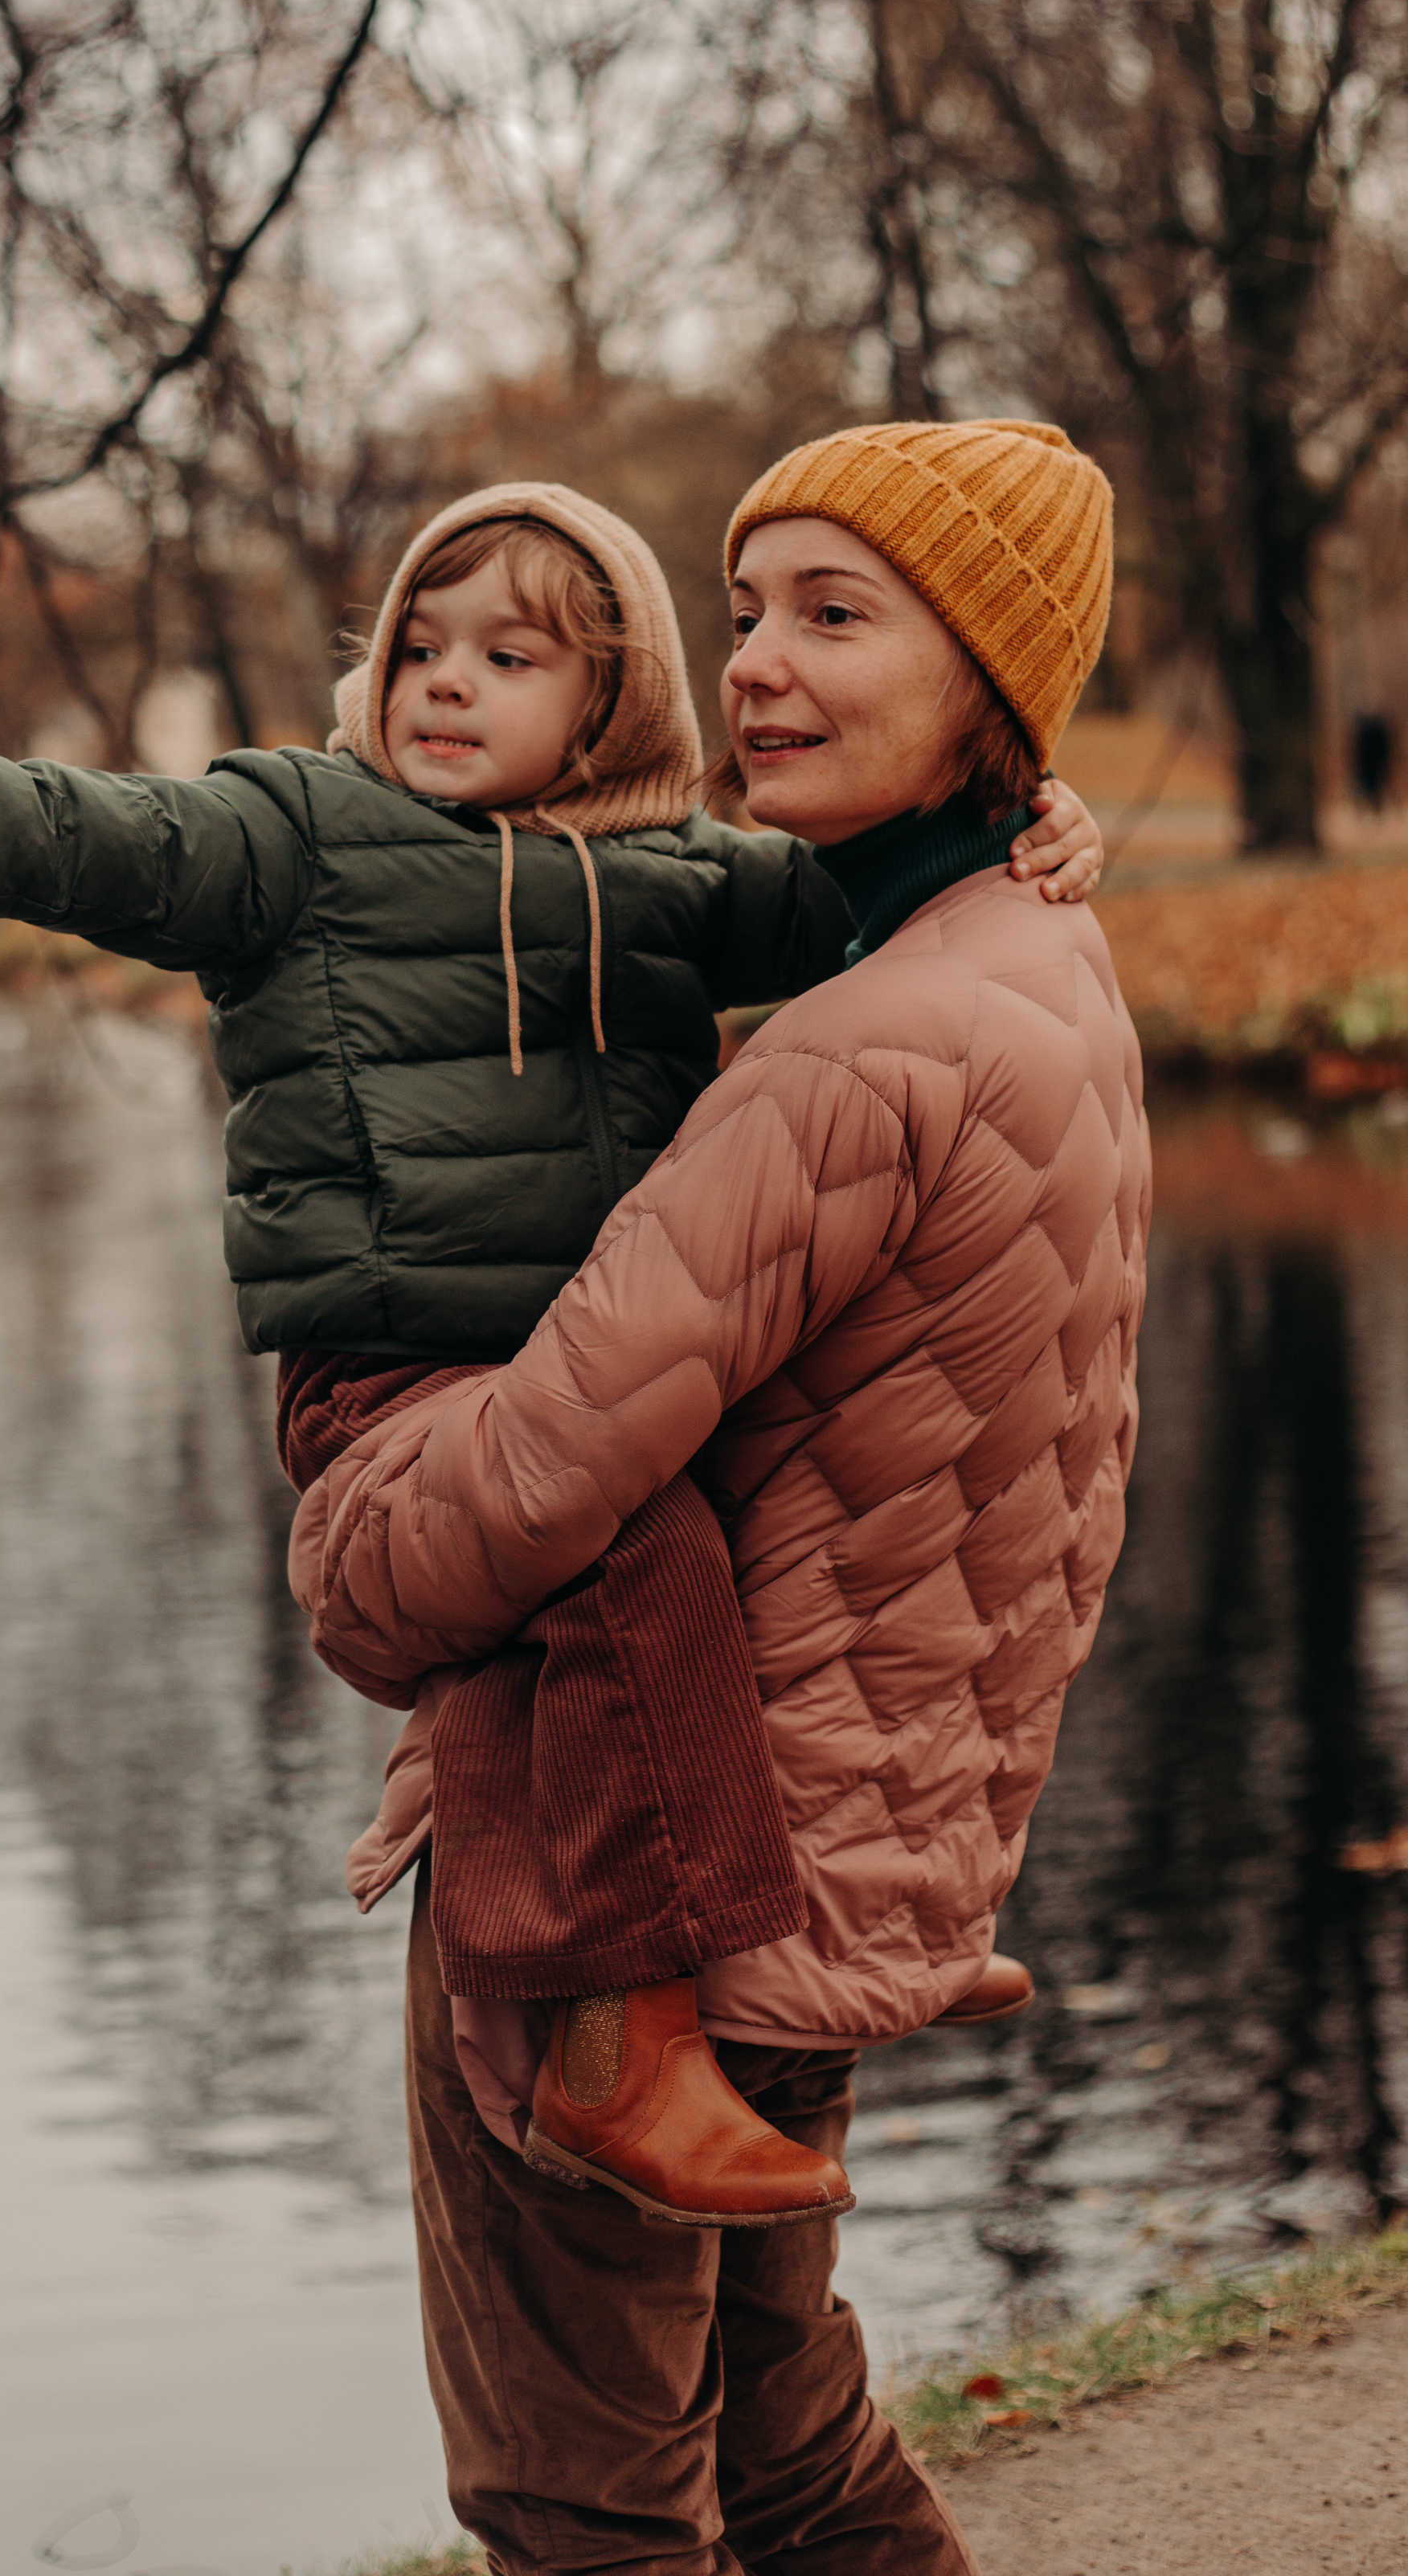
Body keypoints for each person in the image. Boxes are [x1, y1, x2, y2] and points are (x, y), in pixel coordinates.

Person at [0, 476, 1102, 2235]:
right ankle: (617, 2036)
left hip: (562, 1360)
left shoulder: (665, 880)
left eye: (506, 656)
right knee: (635, 1557)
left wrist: (1041, 824)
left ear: (608, 707)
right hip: (393, 1369)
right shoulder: (299, 838)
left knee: (721, 1558)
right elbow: (99, 836)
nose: (441, 682)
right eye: (415, 645)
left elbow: (881, 899)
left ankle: (804, 1938)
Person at [290, 419, 1148, 2576]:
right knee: (787, 2458)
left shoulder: (855, 1061)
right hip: (839, 1875)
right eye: (750, 608)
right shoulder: (1044, 987)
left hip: (617, 1896)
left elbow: (519, 1487)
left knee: (582, 2512)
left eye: (838, 617)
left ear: (994, 691)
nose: (756, 662)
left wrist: (351, 1533)